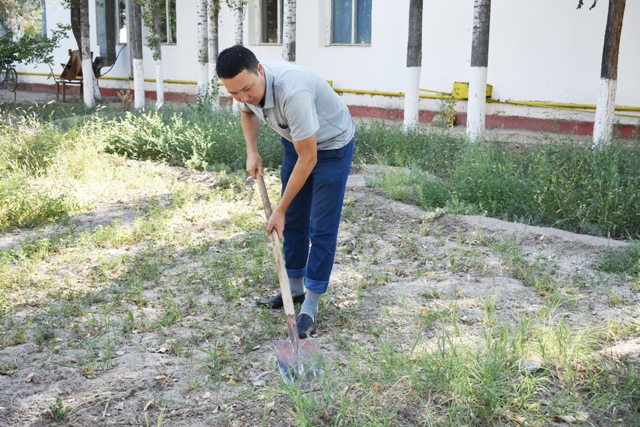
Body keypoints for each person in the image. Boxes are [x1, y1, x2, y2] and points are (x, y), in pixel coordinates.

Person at [216, 45, 355, 339]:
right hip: (297, 142)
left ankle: (311, 307)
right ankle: (293, 288)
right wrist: (251, 152)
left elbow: (310, 158)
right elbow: (247, 112)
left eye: (246, 89)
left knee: (321, 228)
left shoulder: (292, 93)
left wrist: (278, 209)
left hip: (332, 146)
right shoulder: (245, 84)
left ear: (260, 72)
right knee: (293, 219)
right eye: (234, 93)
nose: (243, 97)